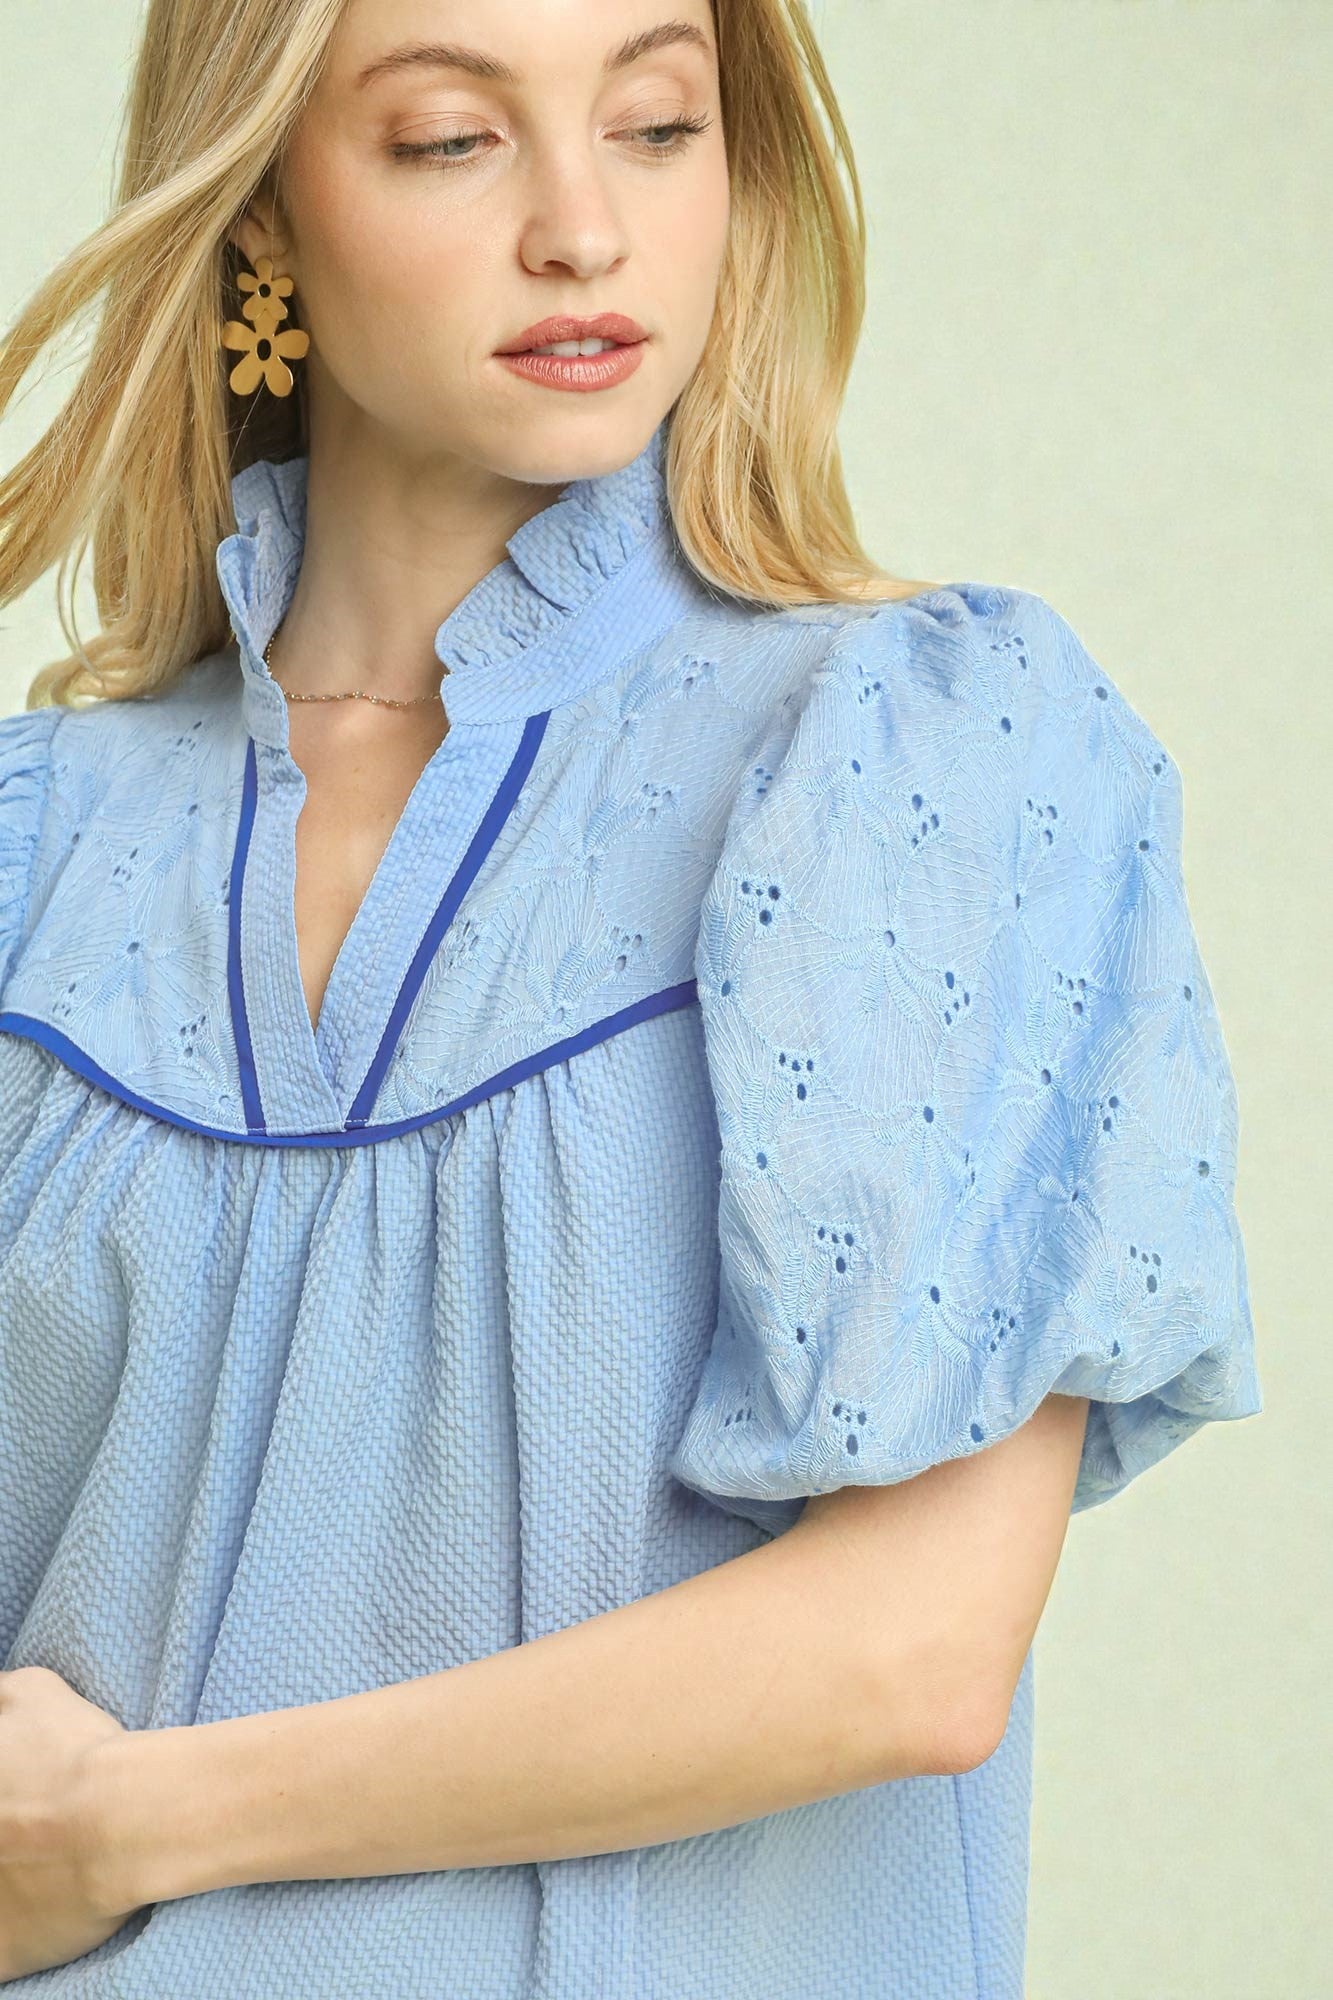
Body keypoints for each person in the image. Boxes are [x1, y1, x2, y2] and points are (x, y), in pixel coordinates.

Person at [0, 0, 1262, 1993]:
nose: (584, 228)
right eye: (446, 140)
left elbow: (907, 1651)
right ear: (257, 217)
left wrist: (137, 1823)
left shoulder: (920, 756)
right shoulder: (35, 844)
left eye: (658, 123)